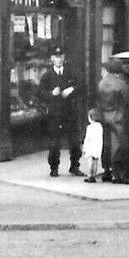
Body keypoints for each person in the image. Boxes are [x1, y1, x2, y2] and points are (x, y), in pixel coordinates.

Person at [37, 48, 84, 177]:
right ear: (52, 58)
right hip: (55, 113)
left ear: (64, 57)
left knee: (74, 142)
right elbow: (40, 93)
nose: (59, 59)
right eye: (56, 57)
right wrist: (51, 93)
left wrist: (72, 89)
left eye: (61, 56)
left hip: (70, 112)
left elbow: (81, 85)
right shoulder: (47, 75)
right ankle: (54, 168)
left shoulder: (70, 73)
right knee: (55, 142)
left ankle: (75, 166)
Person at [97, 59, 129, 183]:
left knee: (106, 145)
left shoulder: (102, 83)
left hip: (104, 115)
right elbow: (128, 100)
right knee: (118, 145)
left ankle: (106, 171)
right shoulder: (121, 84)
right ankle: (118, 174)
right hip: (119, 116)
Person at [81, 108, 105, 183]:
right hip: (97, 147)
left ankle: (90, 176)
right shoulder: (100, 127)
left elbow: (87, 138)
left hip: (91, 147)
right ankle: (93, 175)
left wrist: (84, 148)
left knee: (91, 163)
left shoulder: (90, 127)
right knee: (95, 162)